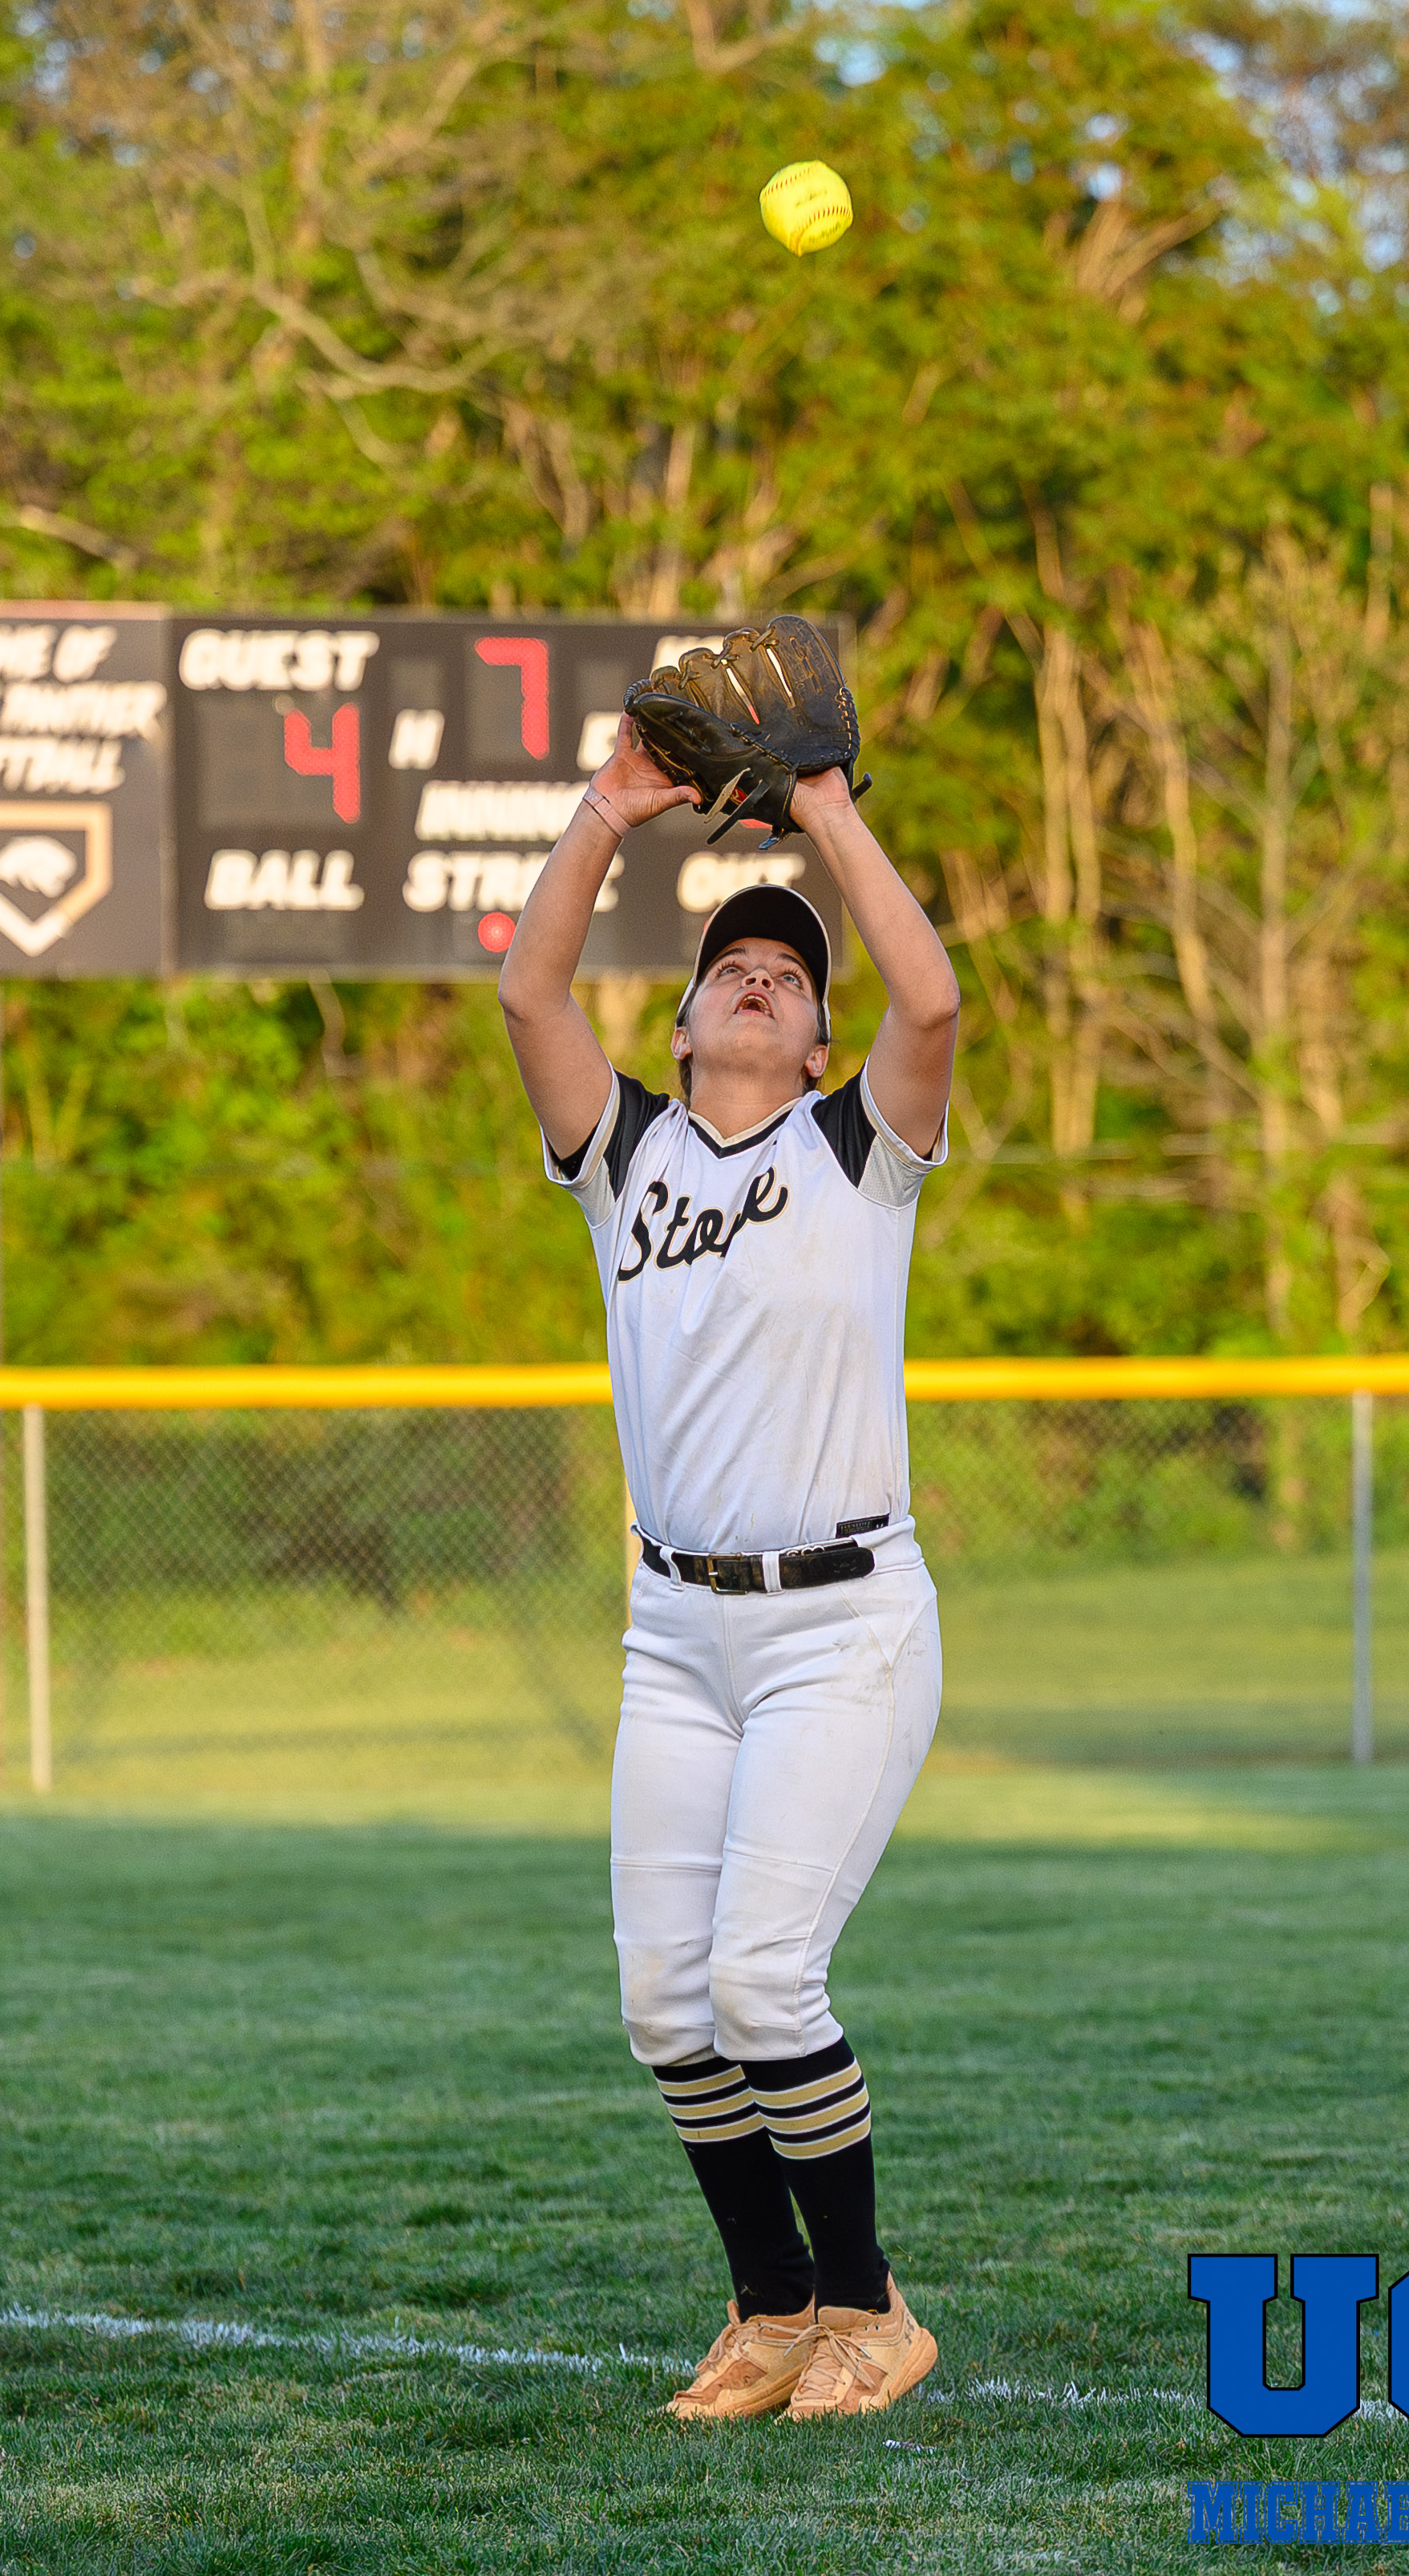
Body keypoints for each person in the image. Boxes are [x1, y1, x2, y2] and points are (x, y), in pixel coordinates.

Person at [496, 711, 960, 2422]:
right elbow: (529, 996)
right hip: (676, 1633)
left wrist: (824, 811)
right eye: (729, 970)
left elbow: (936, 1005)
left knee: (765, 1979)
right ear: (683, 1024)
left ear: (821, 1038)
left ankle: (869, 2311)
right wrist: (610, 808)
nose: (758, 978)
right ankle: (771, 2312)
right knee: (664, 2003)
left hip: (843, 1626)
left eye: (788, 974)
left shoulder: (857, 1153)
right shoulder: (625, 1159)